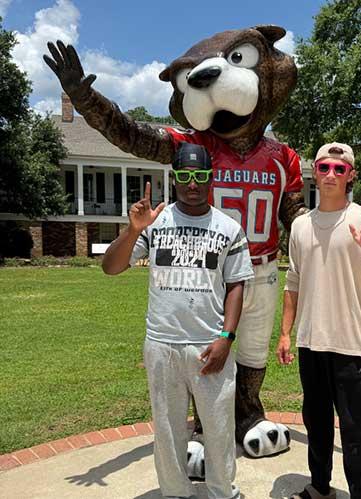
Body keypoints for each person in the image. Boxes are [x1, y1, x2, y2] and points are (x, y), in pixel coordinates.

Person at [101, 143, 252, 499]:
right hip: (162, 344)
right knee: (168, 431)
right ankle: (174, 492)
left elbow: (236, 286)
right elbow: (111, 267)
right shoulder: (155, 224)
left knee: (217, 428)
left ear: (211, 179)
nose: (192, 184)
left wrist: (226, 338)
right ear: (175, 178)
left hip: (209, 345)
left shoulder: (229, 229)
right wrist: (133, 230)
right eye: (184, 176)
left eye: (200, 176)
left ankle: (220, 491)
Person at [276, 142, 361, 499]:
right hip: (310, 341)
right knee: (315, 422)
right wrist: (285, 333)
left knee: (355, 427)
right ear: (315, 171)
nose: (331, 174)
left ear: (350, 176)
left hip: (350, 343)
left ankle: (359, 493)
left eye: (339, 169)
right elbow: (293, 281)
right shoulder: (300, 226)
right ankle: (319, 486)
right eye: (325, 167)